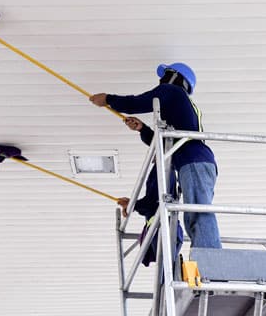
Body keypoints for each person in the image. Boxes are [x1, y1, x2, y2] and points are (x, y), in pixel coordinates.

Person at [90, 62, 222, 249]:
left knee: (197, 212)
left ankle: (210, 258)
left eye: (165, 75)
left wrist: (108, 99)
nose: (161, 80)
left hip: (192, 159)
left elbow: (139, 102)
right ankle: (206, 256)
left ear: (175, 77)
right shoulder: (182, 108)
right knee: (194, 211)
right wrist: (143, 129)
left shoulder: (172, 91)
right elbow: (167, 142)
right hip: (196, 159)